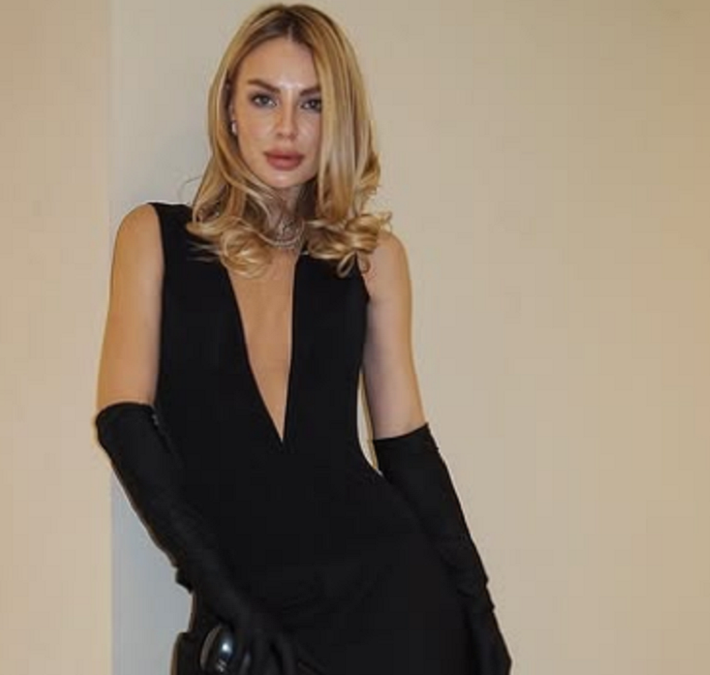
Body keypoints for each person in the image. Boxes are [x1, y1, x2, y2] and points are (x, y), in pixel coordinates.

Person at [95, 4, 512, 674]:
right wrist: (228, 599)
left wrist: (478, 611)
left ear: (336, 119)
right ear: (230, 110)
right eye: (265, 98)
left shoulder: (372, 258)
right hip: (250, 614)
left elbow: (407, 448)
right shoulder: (153, 238)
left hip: (390, 608)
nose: (287, 127)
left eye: (312, 103)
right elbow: (124, 424)